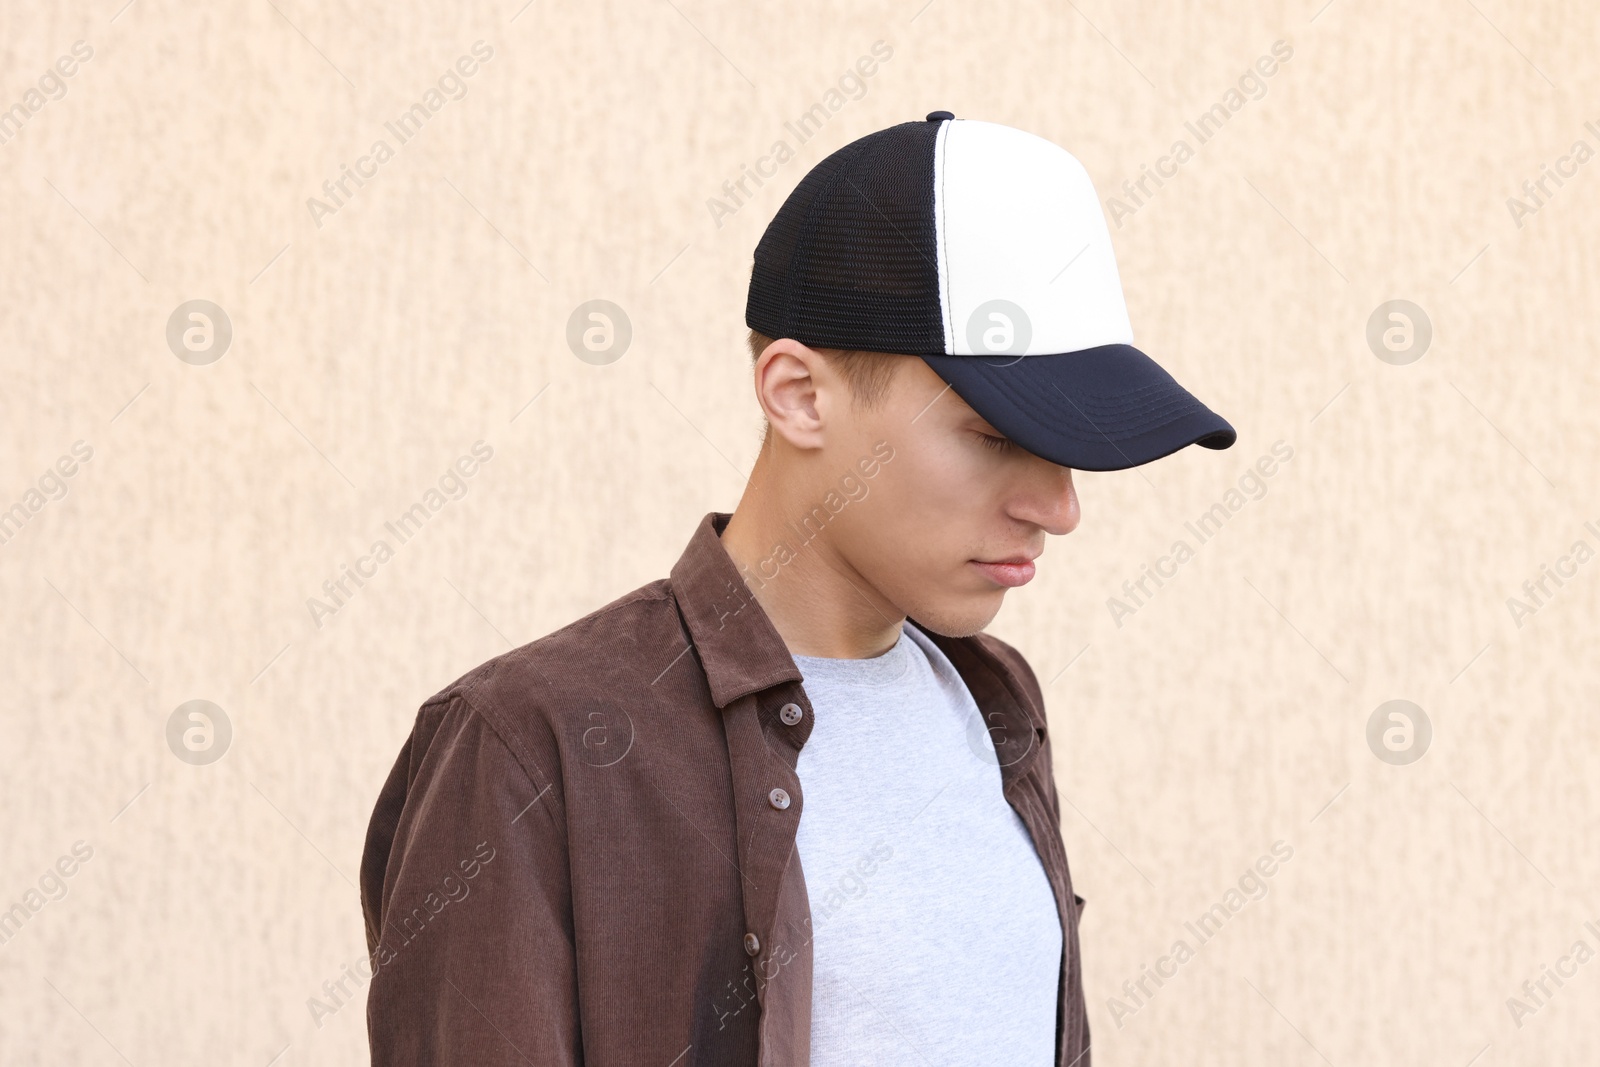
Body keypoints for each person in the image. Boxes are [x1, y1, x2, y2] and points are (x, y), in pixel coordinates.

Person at [360, 111, 1235, 1066]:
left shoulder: (996, 701)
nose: (1059, 508)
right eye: (996, 438)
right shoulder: (531, 744)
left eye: (1069, 446)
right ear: (798, 394)